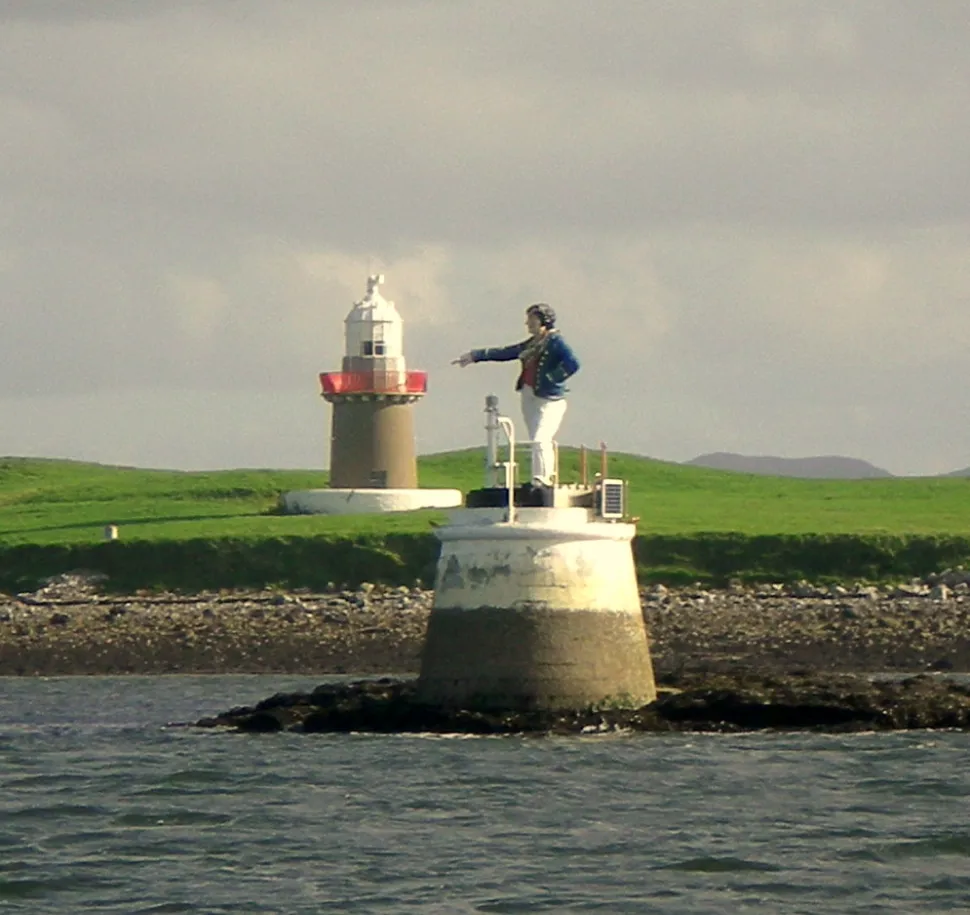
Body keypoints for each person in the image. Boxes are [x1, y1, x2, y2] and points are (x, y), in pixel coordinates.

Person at [453, 303, 580, 489]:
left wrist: (552, 379)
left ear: (543, 321)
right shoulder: (532, 343)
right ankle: (540, 477)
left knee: (540, 438)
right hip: (529, 395)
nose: (528, 323)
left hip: (550, 399)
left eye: (532, 319)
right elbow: (507, 352)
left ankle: (542, 479)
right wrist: (476, 356)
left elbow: (573, 363)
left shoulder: (555, 342)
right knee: (536, 439)